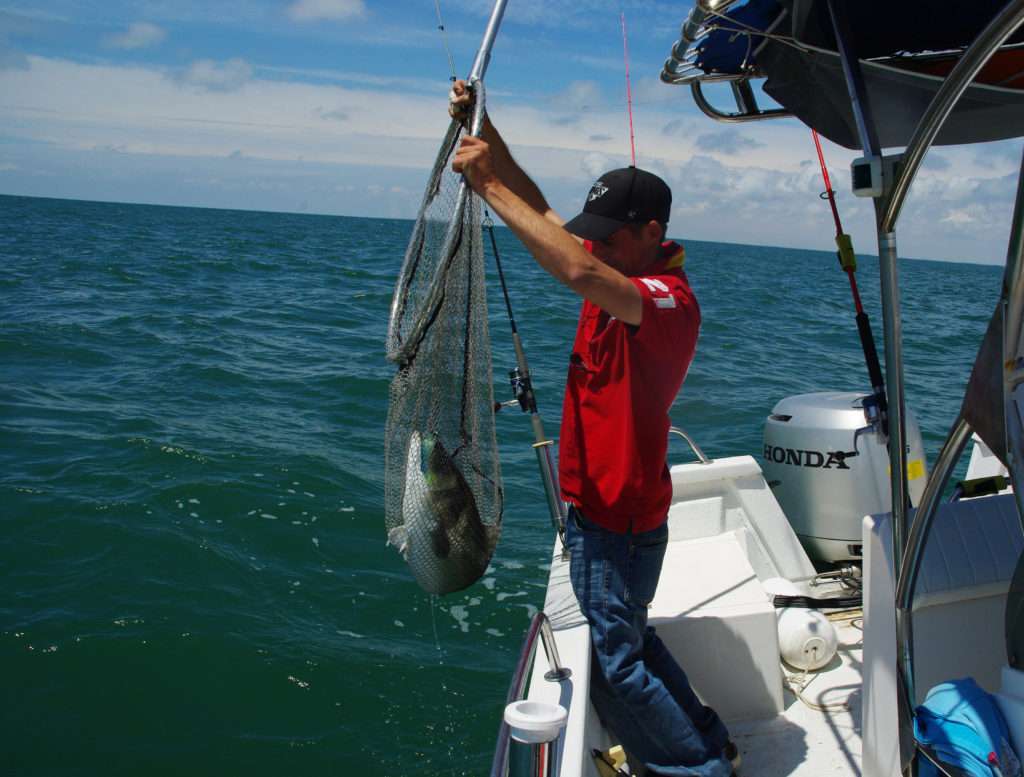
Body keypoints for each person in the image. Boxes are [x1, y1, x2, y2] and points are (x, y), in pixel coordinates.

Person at [449, 82, 738, 777]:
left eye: (611, 235)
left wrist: (485, 184)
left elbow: (573, 264)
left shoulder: (665, 300)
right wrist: (486, 129)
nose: (596, 243)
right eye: (596, 232)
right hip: (595, 511)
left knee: (616, 666)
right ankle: (707, 735)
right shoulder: (614, 264)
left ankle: (698, 767)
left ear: (651, 233)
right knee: (627, 640)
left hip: (622, 520)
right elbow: (549, 217)